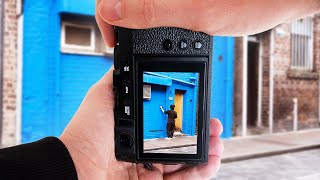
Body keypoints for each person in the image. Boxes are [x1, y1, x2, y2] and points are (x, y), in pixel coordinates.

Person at [0, 0, 319, 179]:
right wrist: (79, 159)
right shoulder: (171, 110)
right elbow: (169, 110)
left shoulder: (174, 109)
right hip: (155, 133)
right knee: (174, 138)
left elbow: (171, 110)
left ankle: (164, 147)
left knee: (177, 137)